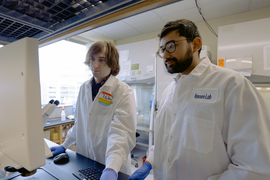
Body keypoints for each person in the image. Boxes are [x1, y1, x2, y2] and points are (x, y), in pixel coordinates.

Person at [129, 19, 270, 180]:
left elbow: (255, 167)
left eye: (171, 46)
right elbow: (166, 140)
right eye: (163, 49)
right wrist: (150, 162)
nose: (166, 55)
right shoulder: (169, 91)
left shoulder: (232, 85)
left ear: (196, 45)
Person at [50, 41, 137, 180]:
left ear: (112, 63)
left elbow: (122, 134)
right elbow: (80, 124)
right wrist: (65, 144)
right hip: (85, 161)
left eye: (101, 60)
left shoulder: (123, 91)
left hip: (112, 167)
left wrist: (111, 168)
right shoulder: (84, 88)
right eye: (92, 59)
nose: (95, 65)